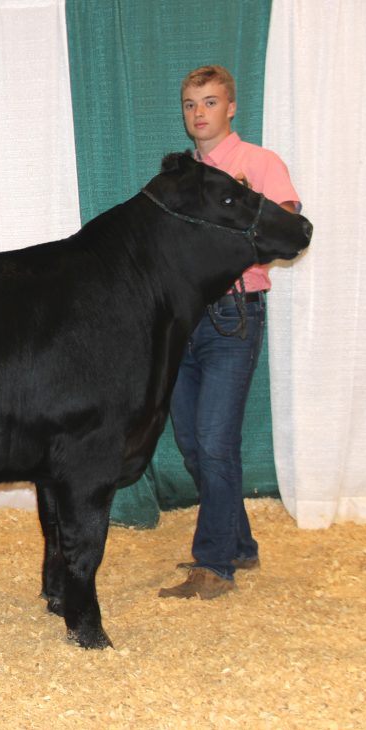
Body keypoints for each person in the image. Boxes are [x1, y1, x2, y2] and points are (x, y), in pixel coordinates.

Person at [158, 65, 301, 600]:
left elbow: (285, 225)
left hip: (234, 315)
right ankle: (238, 542)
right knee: (194, 444)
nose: (199, 113)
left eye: (210, 102)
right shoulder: (180, 177)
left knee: (216, 443)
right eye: (192, 104)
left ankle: (213, 564)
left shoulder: (257, 163)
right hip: (184, 319)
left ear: (231, 107)